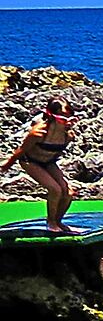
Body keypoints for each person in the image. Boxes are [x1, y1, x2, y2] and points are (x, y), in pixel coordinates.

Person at [3, 97, 77, 234]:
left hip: (48, 162)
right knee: (55, 189)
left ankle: (58, 221)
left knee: (68, 193)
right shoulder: (39, 133)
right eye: (64, 117)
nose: (69, 121)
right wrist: (6, 166)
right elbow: (21, 150)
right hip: (29, 161)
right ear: (52, 116)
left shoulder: (68, 135)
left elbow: (56, 152)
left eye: (70, 117)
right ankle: (51, 222)